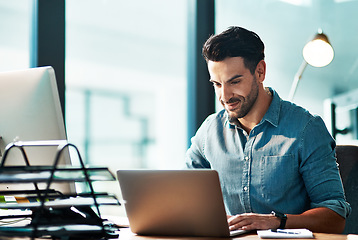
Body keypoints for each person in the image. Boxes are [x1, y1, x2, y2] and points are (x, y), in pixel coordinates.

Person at [185, 26, 351, 233]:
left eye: (234, 81)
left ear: (260, 72)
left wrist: (277, 221)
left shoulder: (306, 129)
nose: (225, 96)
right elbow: (184, 197)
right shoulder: (209, 132)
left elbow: (335, 216)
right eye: (217, 84)